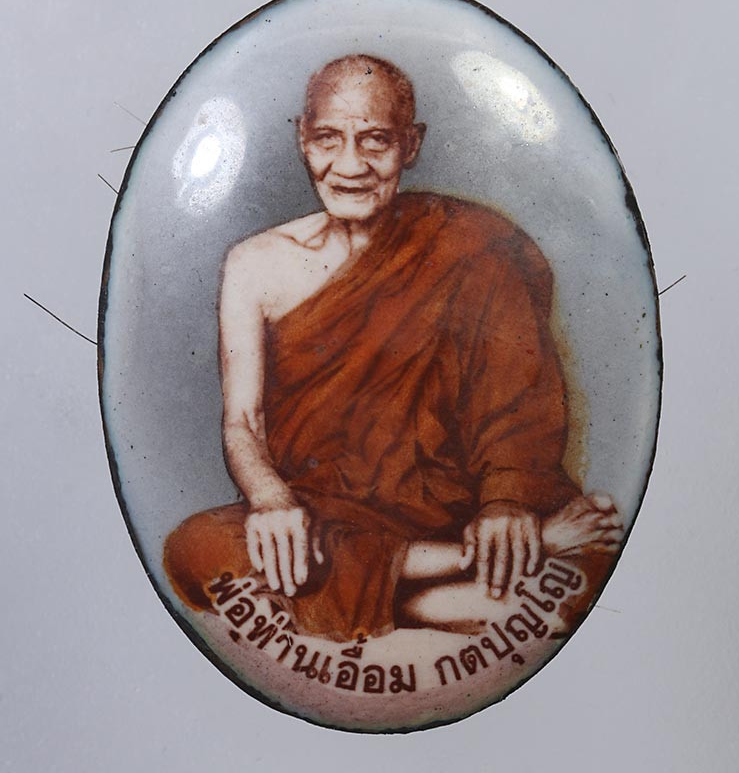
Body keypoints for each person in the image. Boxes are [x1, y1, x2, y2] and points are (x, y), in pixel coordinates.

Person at [164, 54, 623, 641]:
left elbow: (517, 398)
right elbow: (243, 422)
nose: (350, 166)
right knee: (195, 548)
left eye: (375, 140)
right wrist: (270, 499)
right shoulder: (254, 264)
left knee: (596, 561)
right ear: (303, 140)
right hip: (327, 516)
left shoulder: (473, 244)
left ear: (411, 144)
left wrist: (507, 503)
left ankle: (414, 583)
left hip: (456, 504)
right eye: (328, 139)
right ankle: (435, 596)